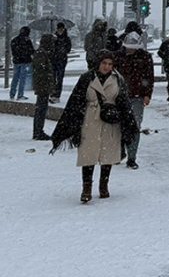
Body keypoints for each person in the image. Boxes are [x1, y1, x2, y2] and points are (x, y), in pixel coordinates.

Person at [50, 50, 139, 204]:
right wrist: (72, 123)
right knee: (88, 154)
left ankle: (103, 185)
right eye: (104, 63)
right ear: (98, 63)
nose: (107, 67)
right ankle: (86, 188)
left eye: (110, 64)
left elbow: (123, 101)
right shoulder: (87, 78)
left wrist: (127, 121)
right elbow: (76, 100)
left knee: (108, 154)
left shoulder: (118, 79)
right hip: (90, 120)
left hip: (111, 121)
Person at [113, 32, 154, 169]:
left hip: (137, 96)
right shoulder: (117, 57)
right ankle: (120, 152)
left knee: (134, 126)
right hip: (120, 96)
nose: (130, 50)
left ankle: (132, 157)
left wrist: (147, 94)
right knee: (119, 125)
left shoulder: (145, 57)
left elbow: (149, 77)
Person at [31, 34, 55, 140]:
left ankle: (38, 130)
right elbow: (41, 70)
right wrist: (49, 78)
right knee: (41, 109)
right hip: (42, 85)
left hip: (42, 85)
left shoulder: (42, 53)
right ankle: (38, 131)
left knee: (41, 108)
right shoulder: (41, 54)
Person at [9, 26, 34, 100]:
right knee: (23, 79)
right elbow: (31, 50)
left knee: (15, 78)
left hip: (16, 61)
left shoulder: (14, 40)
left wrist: (17, 56)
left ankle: (12, 94)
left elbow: (13, 51)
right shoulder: (27, 40)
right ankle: (20, 95)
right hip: (25, 62)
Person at [50, 22, 72, 103]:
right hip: (54, 60)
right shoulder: (53, 38)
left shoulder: (66, 38)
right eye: (59, 28)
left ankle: (57, 95)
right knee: (52, 78)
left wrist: (63, 51)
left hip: (62, 60)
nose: (60, 30)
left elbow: (68, 49)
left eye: (62, 29)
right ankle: (52, 93)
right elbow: (50, 48)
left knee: (59, 78)